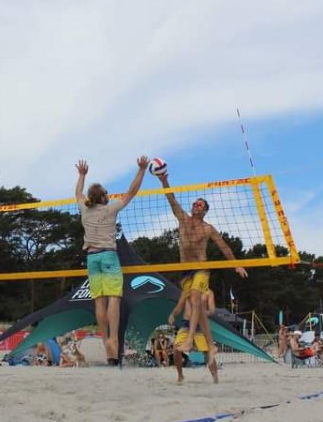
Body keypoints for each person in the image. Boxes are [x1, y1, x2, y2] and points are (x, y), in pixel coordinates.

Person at [159, 171, 248, 371]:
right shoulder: (182, 218)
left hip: (201, 268)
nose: (195, 206)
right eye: (195, 203)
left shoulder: (208, 228)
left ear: (205, 210)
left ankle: (190, 340)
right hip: (184, 269)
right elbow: (171, 200)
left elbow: (223, 246)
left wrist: (236, 264)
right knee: (191, 304)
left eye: (200, 204)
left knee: (197, 297)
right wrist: (164, 181)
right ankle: (210, 345)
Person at [75, 157, 148, 366]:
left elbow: (78, 194)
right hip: (108, 256)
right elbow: (131, 193)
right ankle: (114, 339)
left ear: (90, 197)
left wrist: (81, 175)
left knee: (99, 300)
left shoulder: (84, 209)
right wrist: (141, 170)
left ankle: (105, 336)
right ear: (104, 197)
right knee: (114, 297)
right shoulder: (110, 209)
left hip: (91, 258)